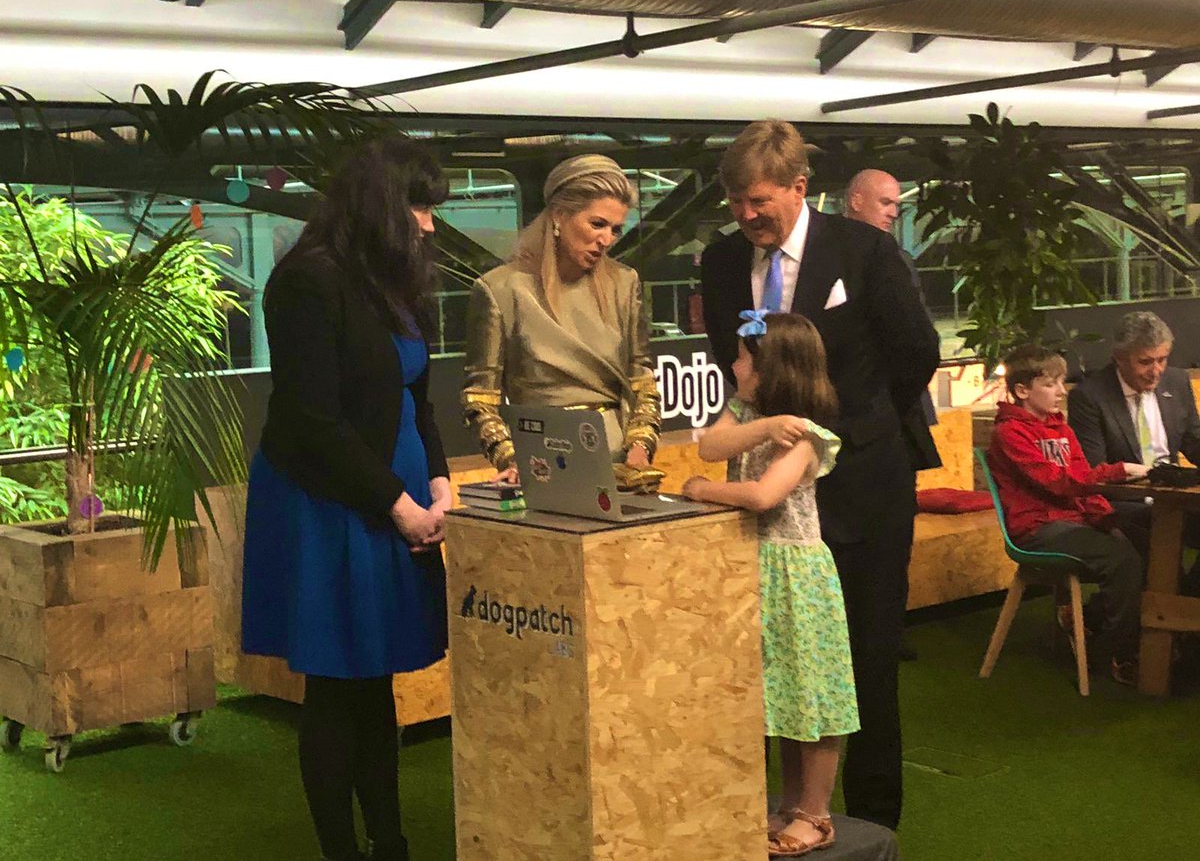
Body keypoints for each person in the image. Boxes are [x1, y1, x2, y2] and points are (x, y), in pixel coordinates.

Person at [701, 120, 939, 830]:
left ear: (800, 188)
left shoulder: (866, 251)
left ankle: (873, 827)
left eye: (759, 202)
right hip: (771, 513)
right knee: (780, 671)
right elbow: (731, 361)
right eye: (736, 203)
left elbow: (915, 354)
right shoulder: (719, 262)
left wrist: (846, 430)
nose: (747, 217)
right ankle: (789, 814)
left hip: (865, 490)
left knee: (866, 663)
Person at [241, 136, 451, 861]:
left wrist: (441, 482)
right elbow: (312, 420)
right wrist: (398, 505)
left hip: (395, 498)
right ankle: (344, 850)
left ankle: (389, 841)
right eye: (419, 206)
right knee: (338, 684)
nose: (429, 224)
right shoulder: (308, 280)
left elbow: (419, 397)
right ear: (382, 205)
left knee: (377, 679)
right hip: (327, 501)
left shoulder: (393, 283)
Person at [682, 310, 857, 858]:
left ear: (770, 367)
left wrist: (700, 490)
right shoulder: (748, 417)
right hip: (753, 570)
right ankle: (787, 802)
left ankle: (816, 812)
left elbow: (762, 496)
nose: (733, 364)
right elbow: (710, 446)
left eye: (742, 357)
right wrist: (760, 425)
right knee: (777, 697)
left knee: (812, 694)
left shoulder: (806, 436)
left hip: (795, 575)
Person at [462, 154, 661, 488]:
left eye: (615, 230)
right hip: (543, 462)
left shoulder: (625, 283)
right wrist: (513, 459)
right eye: (597, 224)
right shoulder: (499, 289)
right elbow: (480, 399)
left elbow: (643, 382)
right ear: (558, 215)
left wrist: (640, 449)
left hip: (622, 466)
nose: (607, 240)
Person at [987, 343, 1149, 685]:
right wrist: (1118, 471)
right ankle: (1117, 651)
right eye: (1051, 384)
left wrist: (1105, 517)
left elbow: (1081, 481)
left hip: (1070, 522)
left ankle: (1094, 624)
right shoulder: (1009, 433)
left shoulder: (1061, 428)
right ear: (1022, 390)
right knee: (1123, 559)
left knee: (1144, 541)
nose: (1062, 391)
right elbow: (1058, 483)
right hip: (1036, 529)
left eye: (1061, 382)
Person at [844, 168, 940, 665]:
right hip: (852, 421)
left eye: (896, 205)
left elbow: (918, 343)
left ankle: (888, 628)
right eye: (883, 202)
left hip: (897, 417)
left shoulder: (899, 259)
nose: (891, 212)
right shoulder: (835, 258)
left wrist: (894, 399)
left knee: (896, 530)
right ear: (854, 200)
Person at [1068, 311, 1200, 564]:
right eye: (1145, 362)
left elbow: (1193, 441)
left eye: (1162, 359)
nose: (1156, 371)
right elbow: (1095, 471)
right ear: (1119, 358)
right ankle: (1173, 597)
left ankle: (1188, 595)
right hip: (1126, 503)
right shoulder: (1090, 397)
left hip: (1175, 495)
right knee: (1156, 534)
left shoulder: (1177, 381)